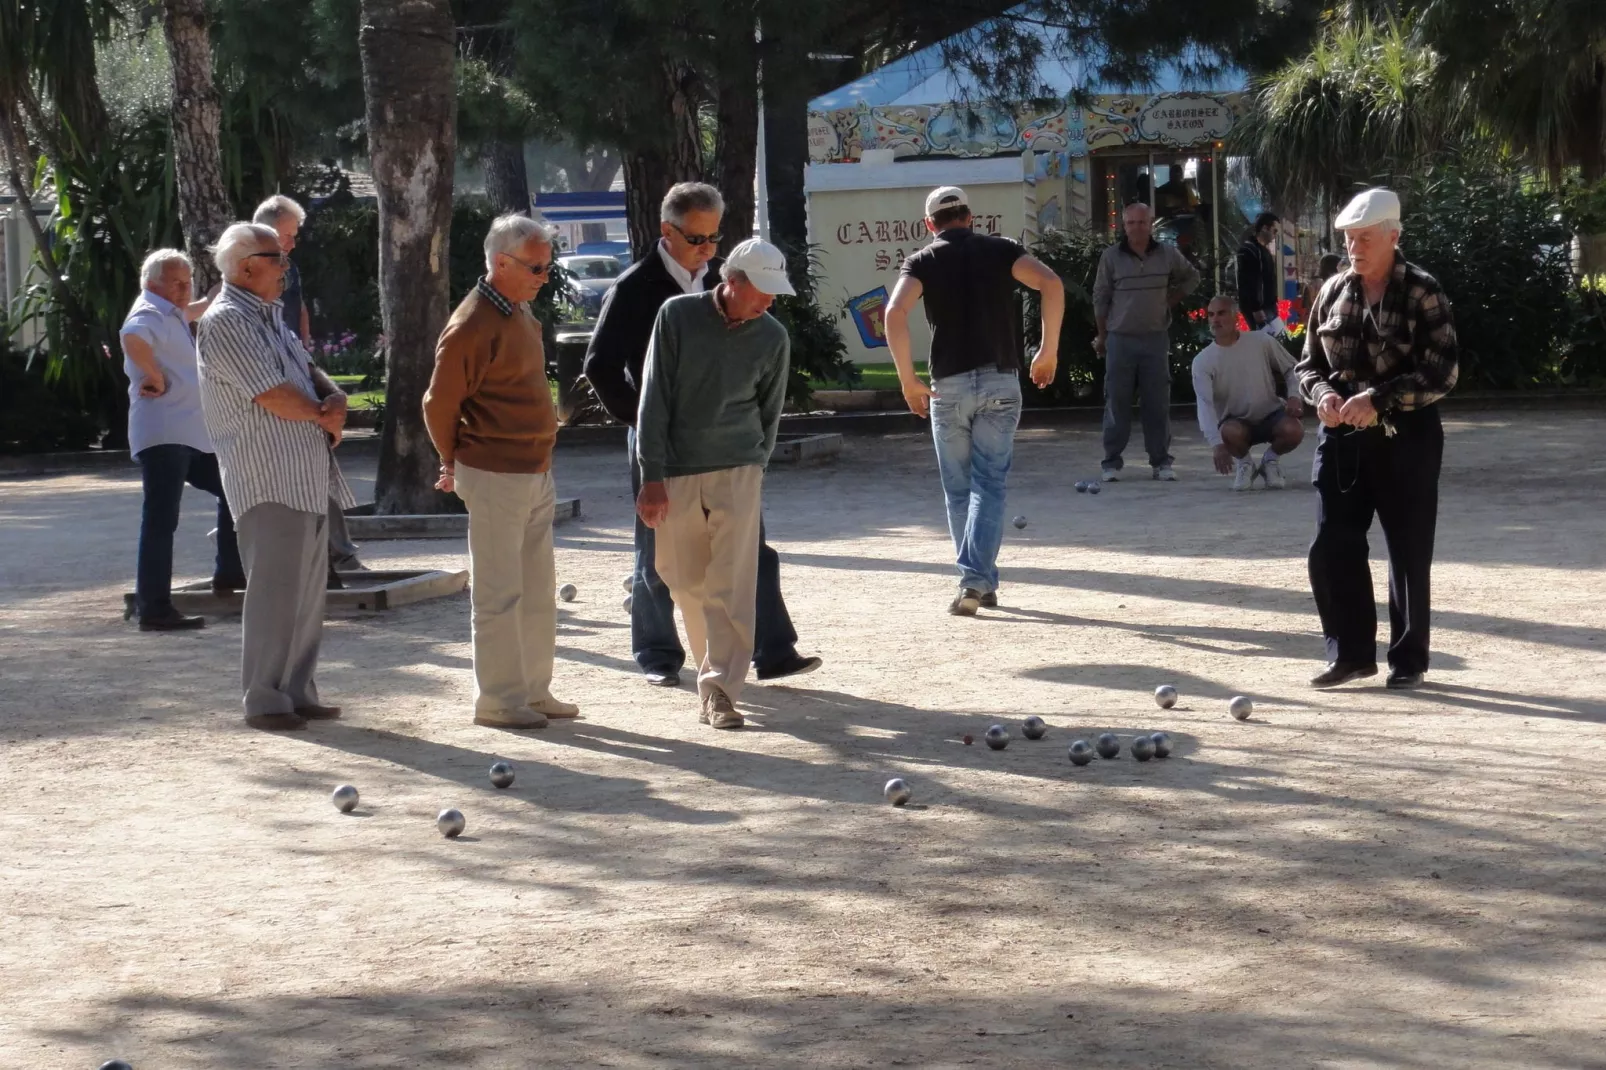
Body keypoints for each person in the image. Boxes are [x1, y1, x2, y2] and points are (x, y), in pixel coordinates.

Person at [584, 181, 820, 687]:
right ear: (667, 231)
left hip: (727, 446)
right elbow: (599, 365)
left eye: (715, 240)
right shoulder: (635, 288)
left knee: (750, 545)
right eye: (697, 239)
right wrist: (644, 423)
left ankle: (773, 649)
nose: (708, 250)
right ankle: (656, 652)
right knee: (657, 550)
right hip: (657, 439)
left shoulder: (732, 280)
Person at [1297, 188, 1458, 691]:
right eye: (1349, 238)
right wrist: (1320, 394)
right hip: (1341, 433)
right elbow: (1307, 365)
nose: (1354, 247)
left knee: (1408, 550)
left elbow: (1444, 372)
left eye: (1365, 237)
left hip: (1405, 434)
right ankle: (1349, 654)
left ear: (1394, 236)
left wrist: (1380, 398)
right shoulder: (1332, 290)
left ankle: (1407, 660)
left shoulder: (1423, 291)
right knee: (1331, 545)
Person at [196, 223, 354, 731]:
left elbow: (307, 374)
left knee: (307, 596)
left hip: (304, 473)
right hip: (267, 476)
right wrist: (320, 412)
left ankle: (297, 691)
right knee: (274, 591)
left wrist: (333, 399)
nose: (286, 267)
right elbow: (273, 394)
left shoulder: (271, 318)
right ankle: (264, 698)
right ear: (246, 268)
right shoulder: (226, 322)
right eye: (277, 259)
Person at [423, 214, 578, 729]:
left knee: (537, 591)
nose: (543, 277)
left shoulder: (517, 311)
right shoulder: (471, 324)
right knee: (498, 593)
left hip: (534, 468)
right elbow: (437, 403)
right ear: (500, 262)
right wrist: (451, 460)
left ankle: (533, 691)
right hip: (493, 471)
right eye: (535, 268)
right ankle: (497, 700)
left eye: (546, 268)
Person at [634, 239, 793, 729]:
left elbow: (771, 409)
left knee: (732, 582)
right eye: (760, 290)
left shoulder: (773, 337)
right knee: (682, 578)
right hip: (677, 469)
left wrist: (754, 465)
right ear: (733, 280)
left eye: (774, 292)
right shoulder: (677, 316)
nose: (767, 301)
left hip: (739, 467)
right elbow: (654, 394)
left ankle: (719, 688)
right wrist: (651, 474)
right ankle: (714, 671)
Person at [885, 186, 1064, 615]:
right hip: (1001, 378)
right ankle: (979, 581)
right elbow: (1051, 284)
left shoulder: (923, 260)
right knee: (990, 483)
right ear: (970, 216)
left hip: (948, 384)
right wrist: (1048, 349)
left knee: (958, 488)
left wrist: (908, 380)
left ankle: (974, 581)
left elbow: (894, 313)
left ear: (931, 225)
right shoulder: (1001, 250)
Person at [120, 248, 243, 630]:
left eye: (187, 281)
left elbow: (198, 307)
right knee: (161, 521)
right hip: (164, 435)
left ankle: (230, 572)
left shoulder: (172, 312)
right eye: (177, 282)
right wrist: (153, 376)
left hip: (189, 436)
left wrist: (223, 286)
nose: (184, 288)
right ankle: (154, 610)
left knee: (233, 487)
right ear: (152, 283)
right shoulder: (149, 312)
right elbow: (131, 338)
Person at [251, 194, 366, 577]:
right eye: (288, 234)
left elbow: (295, 310)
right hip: (269, 383)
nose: (293, 242)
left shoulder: (290, 269)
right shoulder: (246, 273)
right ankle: (331, 560)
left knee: (320, 461)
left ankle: (337, 558)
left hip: (296, 364)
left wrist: (305, 353)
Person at [1093, 202, 1201, 483]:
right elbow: (1100, 297)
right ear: (1124, 226)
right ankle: (1111, 462)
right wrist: (1102, 336)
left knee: (1157, 403)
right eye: (1130, 223)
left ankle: (1161, 461)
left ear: (1150, 224)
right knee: (1116, 402)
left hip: (1155, 337)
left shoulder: (1167, 254)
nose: (1136, 228)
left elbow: (1192, 277)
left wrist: (1170, 300)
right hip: (1120, 338)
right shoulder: (1111, 257)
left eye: (1141, 222)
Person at [1191, 295, 1304, 492]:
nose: (1215, 319)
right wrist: (1216, 444)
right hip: (1235, 421)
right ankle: (1246, 464)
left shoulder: (1260, 341)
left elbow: (1292, 368)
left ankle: (1270, 461)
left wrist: (1295, 396)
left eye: (1221, 313)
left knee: (1294, 429)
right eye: (1211, 315)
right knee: (1228, 432)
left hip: (1271, 414)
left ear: (1236, 317)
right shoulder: (1203, 361)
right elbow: (1204, 404)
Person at [1236, 212, 1282, 331]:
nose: (1274, 235)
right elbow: (1247, 282)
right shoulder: (1249, 250)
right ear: (1264, 228)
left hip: (1268, 306)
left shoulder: (1263, 251)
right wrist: (1255, 308)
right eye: (1274, 231)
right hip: (1259, 309)